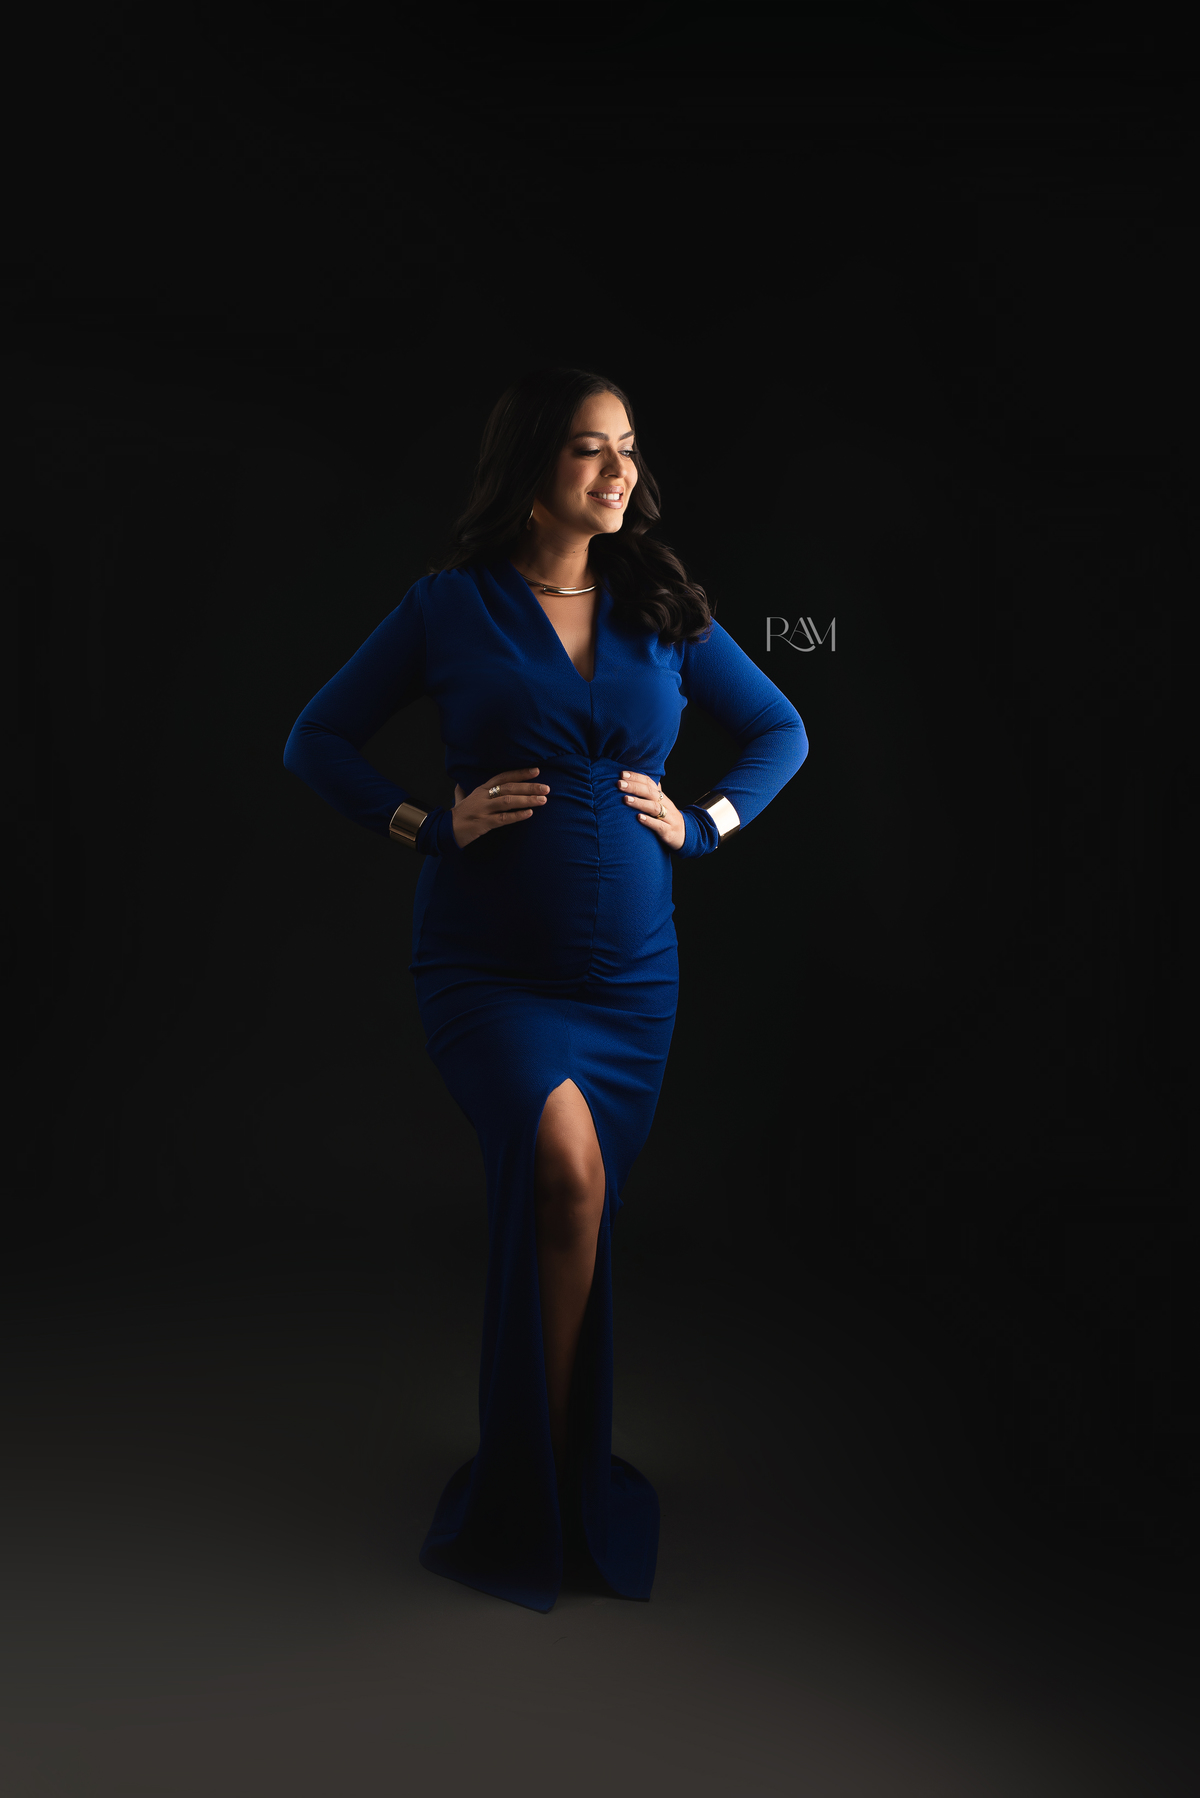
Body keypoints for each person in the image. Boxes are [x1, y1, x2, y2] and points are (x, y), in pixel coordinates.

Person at [283, 368, 808, 1612]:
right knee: (563, 1174)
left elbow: (780, 728)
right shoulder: (447, 606)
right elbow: (316, 738)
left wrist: (706, 822)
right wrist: (427, 821)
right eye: (588, 450)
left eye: (626, 448)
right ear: (531, 474)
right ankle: (535, 1489)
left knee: (576, 1206)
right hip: (488, 971)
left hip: (632, 982)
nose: (620, 472)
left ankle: (563, 1471)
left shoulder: (662, 604)